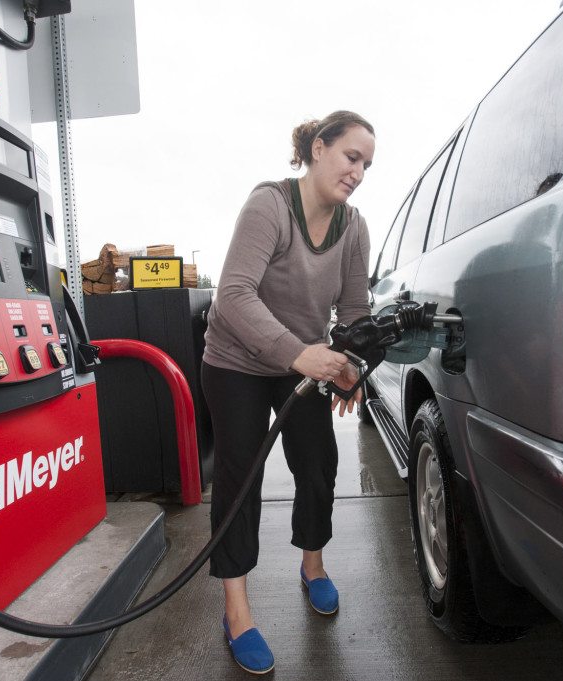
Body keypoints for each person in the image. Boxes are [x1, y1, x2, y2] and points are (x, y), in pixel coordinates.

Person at [201, 110, 376, 674]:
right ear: (318, 148)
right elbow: (232, 295)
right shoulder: (270, 206)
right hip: (234, 361)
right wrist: (300, 353)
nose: (358, 172)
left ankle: (314, 565)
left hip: (299, 362)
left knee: (318, 461)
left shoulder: (354, 228)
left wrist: (354, 366)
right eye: (352, 157)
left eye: (367, 165)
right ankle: (237, 611)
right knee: (240, 476)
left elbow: (354, 313)